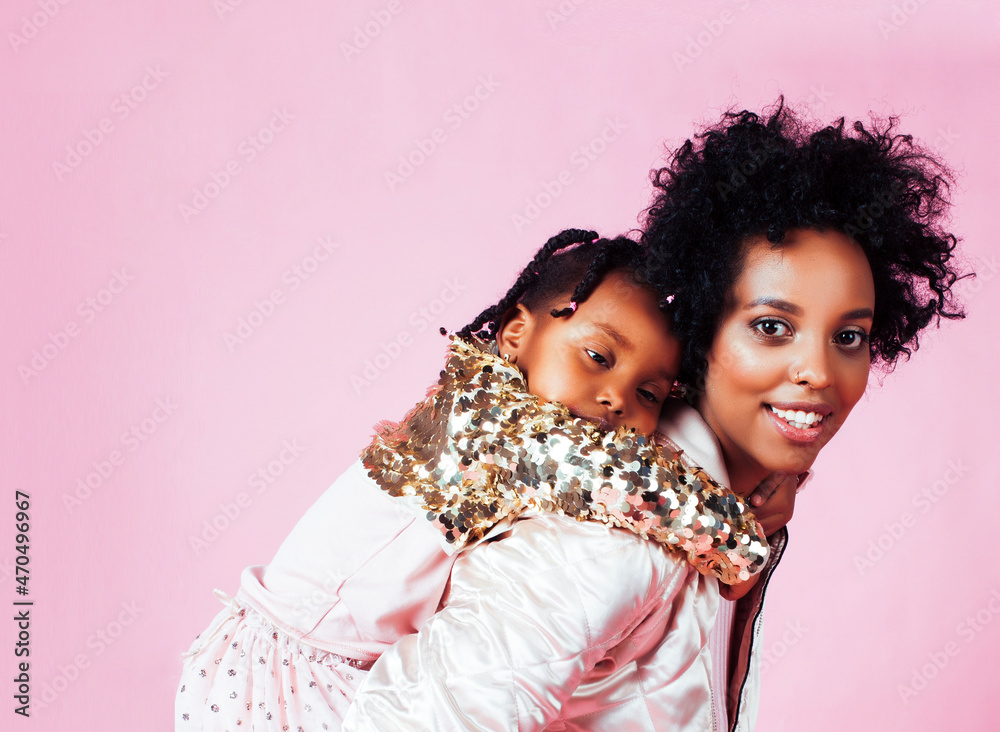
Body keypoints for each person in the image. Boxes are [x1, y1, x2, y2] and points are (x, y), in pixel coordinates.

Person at [343, 101, 967, 731]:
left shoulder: (709, 508)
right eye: (772, 327)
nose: (820, 373)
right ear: (700, 331)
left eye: (849, 337)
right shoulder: (621, 534)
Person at [176, 229, 788, 731]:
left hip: (323, 661)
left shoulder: (512, 415)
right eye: (598, 357)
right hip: (297, 676)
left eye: (649, 392)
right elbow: (631, 485)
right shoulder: (494, 420)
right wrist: (739, 546)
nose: (614, 398)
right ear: (517, 334)